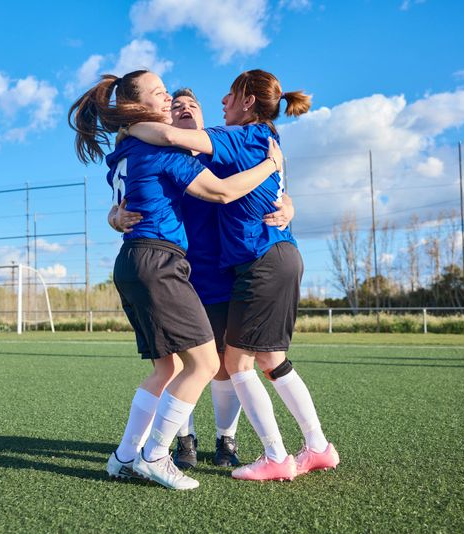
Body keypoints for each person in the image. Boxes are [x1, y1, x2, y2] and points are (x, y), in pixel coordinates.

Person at [68, 69, 284, 490]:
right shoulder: (163, 148)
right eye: (161, 94)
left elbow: (125, 195)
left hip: (133, 262)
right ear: (139, 106)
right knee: (205, 363)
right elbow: (222, 192)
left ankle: (124, 456)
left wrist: (285, 201)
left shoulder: (125, 150)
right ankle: (156, 455)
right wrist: (271, 165)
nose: (170, 100)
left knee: (167, 367)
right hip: (159, 262)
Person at [128, 69, 339, 481]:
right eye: (175, 105)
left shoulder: (224, 143)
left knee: (231, 364)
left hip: (246, 265)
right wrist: (115, 212)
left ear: (245, 102)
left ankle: (252, 446)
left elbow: (233, 182)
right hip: (190, 273)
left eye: (199, 104)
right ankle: (188, 443)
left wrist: (288, 201)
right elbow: (136, 187)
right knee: (215, 362)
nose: (220, 102)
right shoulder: (170, 156)